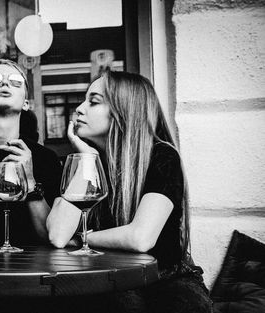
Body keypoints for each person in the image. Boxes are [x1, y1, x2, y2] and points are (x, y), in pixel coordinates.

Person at [46, 70, 212, 313]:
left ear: (123, 111)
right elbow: (58, 236)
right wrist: (88, 160)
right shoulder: (84, 165)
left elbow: (140, 237)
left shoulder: (162, 157)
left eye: (93, 101)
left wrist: (83, 238)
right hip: (108, 278)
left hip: (166, 277)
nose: (80, 109)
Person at [0, 59, 61, 249]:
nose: (5, 83)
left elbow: (52, 236)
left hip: (30, 270)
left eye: (16, 82)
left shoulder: (46, 159)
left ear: (26, 103)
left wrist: (30, 181)